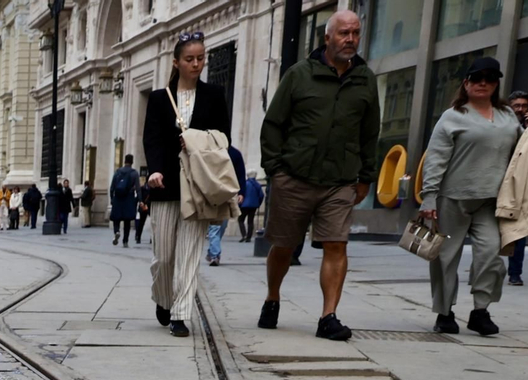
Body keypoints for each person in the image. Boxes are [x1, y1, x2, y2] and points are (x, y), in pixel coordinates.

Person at [258, 10, 380, 341]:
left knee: (336, 245)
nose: (351, 39)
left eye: (355, 33)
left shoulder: (365, 80)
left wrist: (366, 175)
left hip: (340, 179)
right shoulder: (299, 75)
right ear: (327, 38)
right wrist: (276, 170)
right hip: (294, 177)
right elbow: (273, 125)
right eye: (344, 33)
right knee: (283, 246)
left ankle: (328, 316)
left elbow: (370, 133)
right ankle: (272, 297)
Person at [419, 57, 520, 336]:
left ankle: (480, 311)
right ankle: (444, 313)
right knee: (445, 258)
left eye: (489, 78)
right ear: (466, 83)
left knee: (490, 255)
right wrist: (429, 198)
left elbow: (521, 153)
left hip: (492, 201)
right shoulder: (453, 116)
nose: (483, 83)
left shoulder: (508, 116)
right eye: (477, 78)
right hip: (453, 199)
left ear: (497, 83)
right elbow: (435, 159)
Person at [143, 31, 230, 338]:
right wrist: (153, 171)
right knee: (164, 257)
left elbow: (223, 139)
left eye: (201, 58)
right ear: (176, 62)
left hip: (198, 185)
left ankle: (181, 313)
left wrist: (197, 139)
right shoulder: (157, 98)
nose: (197, 64)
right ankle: (164, 299)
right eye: (190, 59)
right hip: (165, 183)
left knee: (189, 254)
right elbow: (151, 139)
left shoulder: (215, 95)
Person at [507, 91, 528, 286]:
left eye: (524, 105)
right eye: (517, 106)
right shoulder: (505, 126)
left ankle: (515, 273)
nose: (521, 109)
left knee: (519, 231)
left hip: (524, 186)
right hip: (505, 185)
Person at [109, 155, 139, 246]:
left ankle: (117, 231)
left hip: (118, 198)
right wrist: (140, 200)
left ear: (124, 161)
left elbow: (112, 188)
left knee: (116, 218)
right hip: (128, 198)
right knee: (127, 221)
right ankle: (125, 241)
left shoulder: (118, 172)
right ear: (132, 162)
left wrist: (112, 199)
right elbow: (138, 188)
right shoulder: (134, 173)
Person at [238, 169, 263, 242]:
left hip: (244, 205)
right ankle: (248, 237)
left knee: (241, 220)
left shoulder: (245, 184)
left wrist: (239, 204)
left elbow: (240, 194)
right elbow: (261, 195)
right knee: (250, 221)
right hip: (253, 206)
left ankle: (244, 235)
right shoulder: (258, 185)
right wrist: (258, 203)